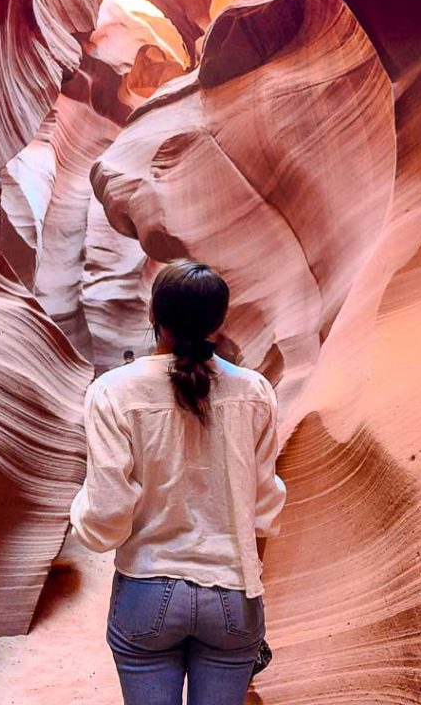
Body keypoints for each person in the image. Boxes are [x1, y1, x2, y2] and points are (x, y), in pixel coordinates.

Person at [69, 260, 287, 705]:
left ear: (155, 315)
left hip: (147, 592)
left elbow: (107, 516)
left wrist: (80, 519)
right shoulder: (255, 392)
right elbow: (263, 508)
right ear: (219, 321)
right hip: (233, 594)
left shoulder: (113, 392)